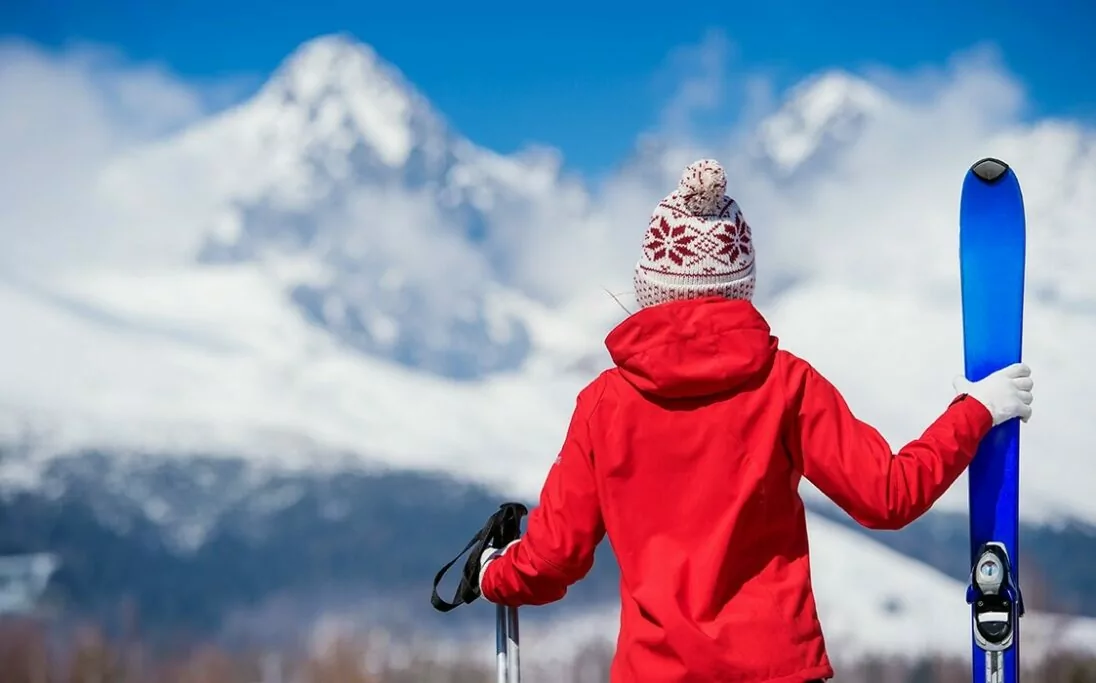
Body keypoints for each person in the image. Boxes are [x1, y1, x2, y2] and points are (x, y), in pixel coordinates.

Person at [476, 159, 1034, 683]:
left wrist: (492, 572)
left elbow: (552, 560)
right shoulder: (786, 385)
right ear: (741, 286)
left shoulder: (604, 404)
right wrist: (976, 411)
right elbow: (888, 496)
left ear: (650, 289)